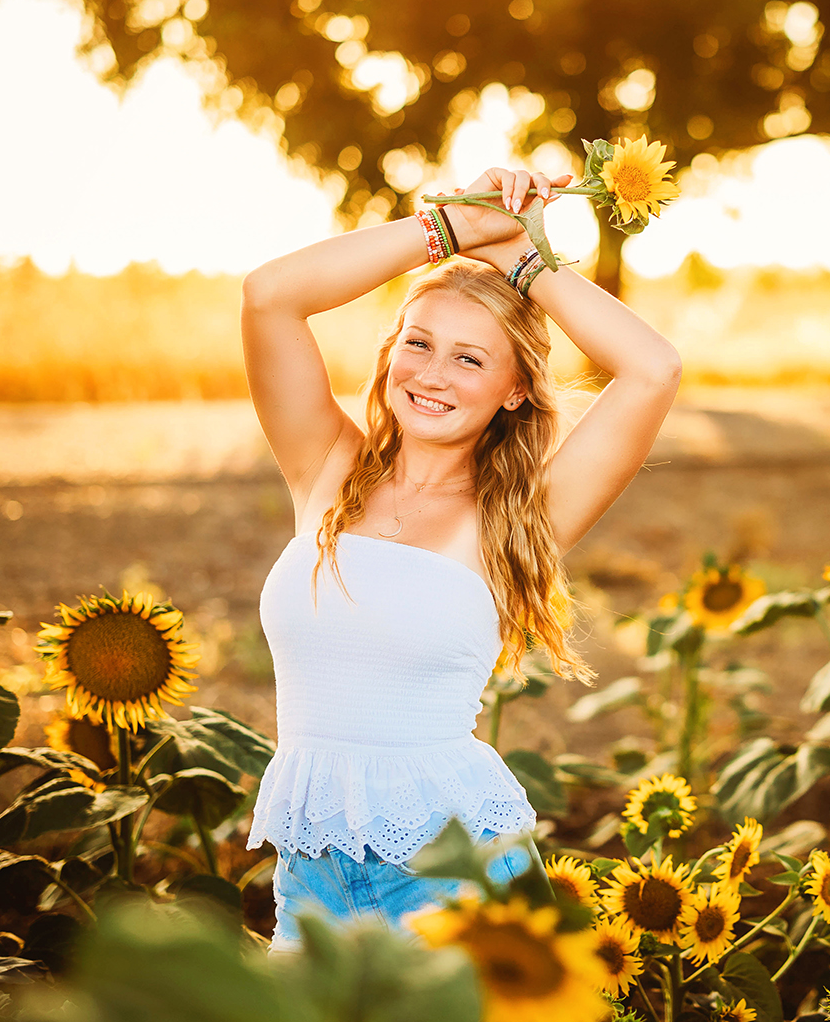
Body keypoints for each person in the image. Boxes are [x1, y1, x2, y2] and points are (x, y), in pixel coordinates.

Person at [240, 165, 682, 952]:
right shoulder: (326, 470)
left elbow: (652, 370)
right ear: (389, 355)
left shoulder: (517, 517)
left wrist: (524, 260)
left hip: (454, 870)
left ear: (515, 392)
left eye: (470, 360)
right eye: (419, 343)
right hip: (313, 870)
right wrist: (453, 228)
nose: (432, 375)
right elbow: (271, 293)